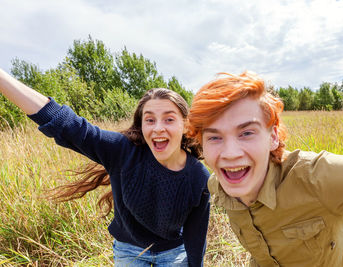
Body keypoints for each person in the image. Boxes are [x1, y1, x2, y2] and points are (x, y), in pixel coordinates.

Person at [0, 68, 210, 267]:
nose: (157, 128)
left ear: (185, 126)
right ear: (141, 125)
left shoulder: (198, 176)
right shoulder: (123, 151)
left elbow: (196, 236)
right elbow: (68, 126)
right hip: (129, 250)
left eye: (169, 119)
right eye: (150, 120)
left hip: (173, 252)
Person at [187, 71, 343, 267]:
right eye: (214, 137)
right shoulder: (217, 186)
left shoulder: (317, 178)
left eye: (246, 133)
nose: (230, 153)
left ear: (273, 137)